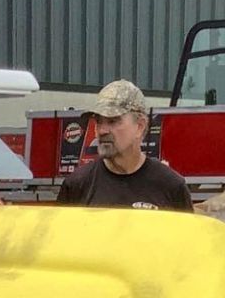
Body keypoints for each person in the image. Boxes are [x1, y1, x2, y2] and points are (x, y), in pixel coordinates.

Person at [56, 79, 193, 212]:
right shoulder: (76, 185)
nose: (102, 130)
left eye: (113, 121)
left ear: (139, 126)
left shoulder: (171, 186)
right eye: (98, 121)